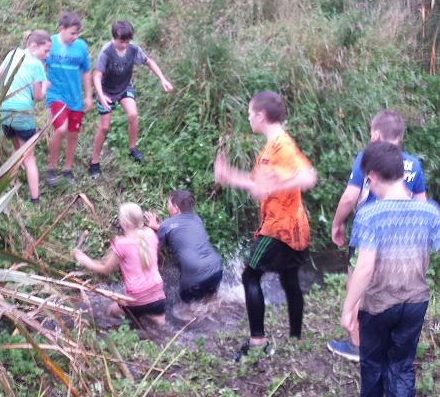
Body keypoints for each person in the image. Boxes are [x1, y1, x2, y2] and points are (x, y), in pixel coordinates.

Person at [341, 142, 439, 397]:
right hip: (415, 302)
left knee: (373, 362)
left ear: (371, 177)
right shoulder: (429, 211)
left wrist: (349, 307)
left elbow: (364, 267)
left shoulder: (370, 214)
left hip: (378, 304)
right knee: (402, 365)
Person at [214, 91, 316, 361]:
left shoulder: (282, 146)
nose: (248, 118)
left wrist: (278, 184)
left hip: (279, 229)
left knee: (250, 277)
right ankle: (295, 336)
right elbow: (258, 186)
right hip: (295, 228)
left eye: (250, 113)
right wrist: (229, 176)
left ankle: (257, 343)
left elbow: (307, 176)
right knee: (289, 278)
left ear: (260, 116)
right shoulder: (271, 148)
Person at [328, 109, 426, 361]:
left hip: (368, 234)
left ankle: (357, 345)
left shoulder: (367, 158)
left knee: (358, 284)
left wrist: (337, 224)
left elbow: (350, 197)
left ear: (376, 135)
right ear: (400, 136)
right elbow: (421, 205)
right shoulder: (414, 164)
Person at [88, 20, 173, 176]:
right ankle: (94, 161)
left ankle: (132, 148)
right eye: (122, 42)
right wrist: (101, 96)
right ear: (113, 38)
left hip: (124, 87)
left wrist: (163, 79)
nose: (125, 45)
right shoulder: (106, 52)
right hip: (106, 91)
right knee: (104, 127)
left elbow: (149, 62)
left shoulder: (133, 49)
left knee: (133, 115)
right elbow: (96, 76)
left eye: (127, 41)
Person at [72, 202, 166, 324]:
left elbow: (105, 269)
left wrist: (82, 258)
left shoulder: (121, 243)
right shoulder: (150, 233)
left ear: (125, 223)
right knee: (160, 329)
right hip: (158, 295)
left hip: (136, 298)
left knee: (110, 312)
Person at [145, 189, 223, 321]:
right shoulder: (197, 219)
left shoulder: (167, 224)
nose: (167, 207)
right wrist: (159, 226)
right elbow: (181, 230)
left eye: (168, 204)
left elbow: (155, 251)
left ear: (175, 208)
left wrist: (149, 268)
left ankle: (192, 329)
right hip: (216, 268)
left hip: (194, 276)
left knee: (184, 312)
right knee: (209, 305)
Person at [0, 30, 52, 203]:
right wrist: (45, 86)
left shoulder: (12, 53)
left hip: (5, 111)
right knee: (29, 157)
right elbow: (38, 96)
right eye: (46, 50)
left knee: (17, 150)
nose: (47, 55)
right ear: (34, 45)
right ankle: (35, 198)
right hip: (22, 113)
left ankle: (9, 188)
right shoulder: (37, 65)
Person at [45, 11, 93, 185]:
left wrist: (88, 95)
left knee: (73, 134)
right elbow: (38, 64)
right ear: (61, 29)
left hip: (75, 98)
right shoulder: (49, 44)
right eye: (72, 33)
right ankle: (51, 168)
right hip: (56, 95)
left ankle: (67, 169)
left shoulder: (81, 47)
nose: (75, 36)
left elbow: (86, 71)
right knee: (61, 129)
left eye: (77, 33)